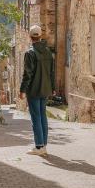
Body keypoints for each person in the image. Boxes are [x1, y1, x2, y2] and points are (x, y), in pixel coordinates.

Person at [19, 25, 55, 156]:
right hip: (46, 89)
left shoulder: (30, 53)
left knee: (36, 117)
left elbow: (27, 74)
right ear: (40, 36)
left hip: (34, 90)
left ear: (30, 36)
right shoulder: (48, 52)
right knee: (43, 116)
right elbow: (52, 73)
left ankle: (39, 147)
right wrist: (53, 88)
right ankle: (43, 145)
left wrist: (22, 90)